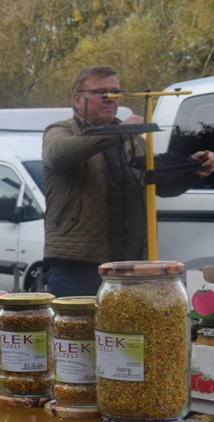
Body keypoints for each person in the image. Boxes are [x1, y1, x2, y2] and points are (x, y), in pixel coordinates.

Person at [42, 65, 214, 297]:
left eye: (116, 93)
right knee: (79, 331)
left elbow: (157, 185)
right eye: (102, 93)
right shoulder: (61, 130)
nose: (111, 99)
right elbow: (58, 154)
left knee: (129, 333)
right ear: (77, 99)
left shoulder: (130, 139)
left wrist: (191, 170)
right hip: (79, 267)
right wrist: (119, 133)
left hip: (130, 267)